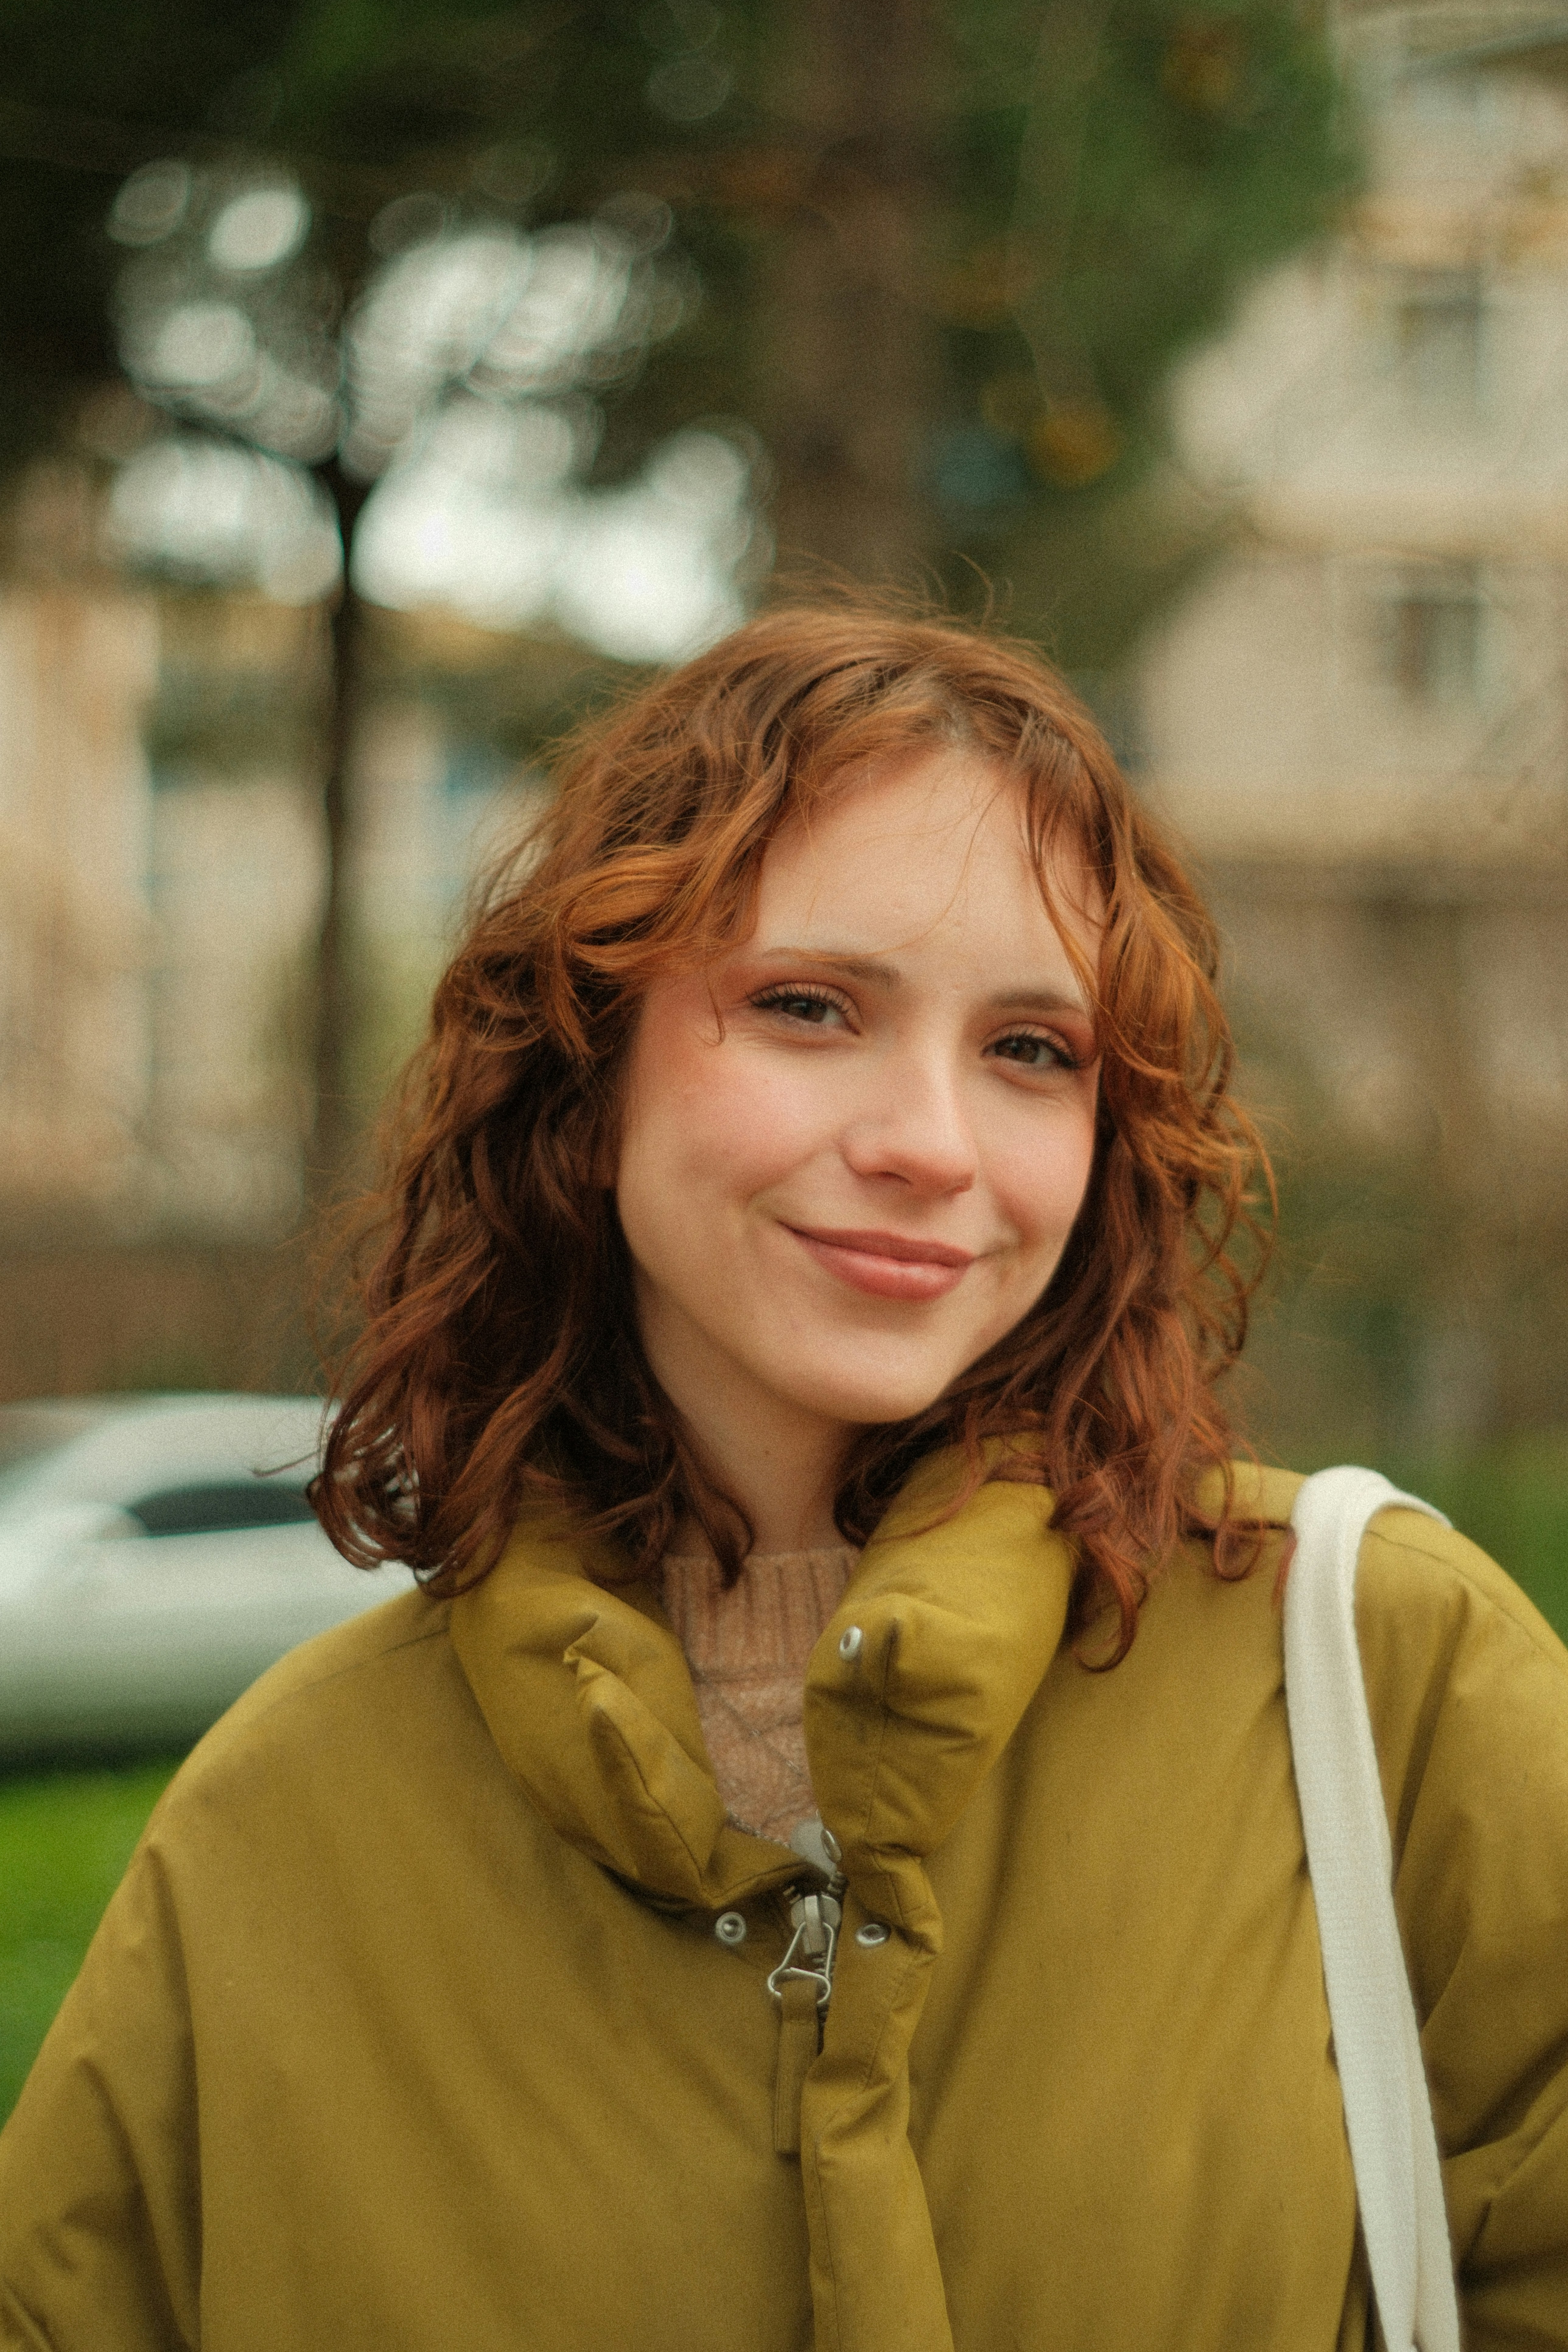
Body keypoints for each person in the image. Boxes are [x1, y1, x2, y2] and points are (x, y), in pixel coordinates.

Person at [2, 607, 1566, 2352]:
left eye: (1031, 1052)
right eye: (810, 1008)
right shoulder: (283, 1825)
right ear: (590, 1078)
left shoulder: (1372, 1675)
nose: (928, 1141)